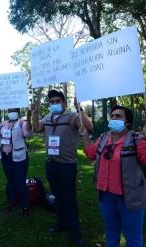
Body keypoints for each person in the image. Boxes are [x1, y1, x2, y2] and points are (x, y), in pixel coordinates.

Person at [83, 105, 146, 247]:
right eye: (112, 115)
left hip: (130, 197)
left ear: (127, 122)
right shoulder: (103, 137)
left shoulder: (136, 139)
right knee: (111, 232)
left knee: (132, 237)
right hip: (106, 196)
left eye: (118, 116)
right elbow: (91, 154)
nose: (113, 118)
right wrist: (84, 136)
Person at [31, 90, 92, 246]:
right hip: (51, 164)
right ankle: (61, 222)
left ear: (64, 102)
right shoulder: (48, 117)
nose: (55, 103)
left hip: (67, 165)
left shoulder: (72, 116)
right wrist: (35, 113)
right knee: (57, 196)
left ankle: (75, 232)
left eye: (58, 100)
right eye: (52, 101)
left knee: (69, 198)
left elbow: (88, 128)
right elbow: (36, 128)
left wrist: (81, 110)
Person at [0, 108, 33, 216]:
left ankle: (25, 206)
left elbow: (28, 133)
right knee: (11, 181)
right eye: (10, 110)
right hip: (6, 157)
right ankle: (12, 202)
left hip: (19, 157)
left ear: (18, 112)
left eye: (14, 110)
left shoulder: (22, 122)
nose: (11, 112)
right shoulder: (4, 123)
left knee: (20, 182)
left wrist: (28, 118)